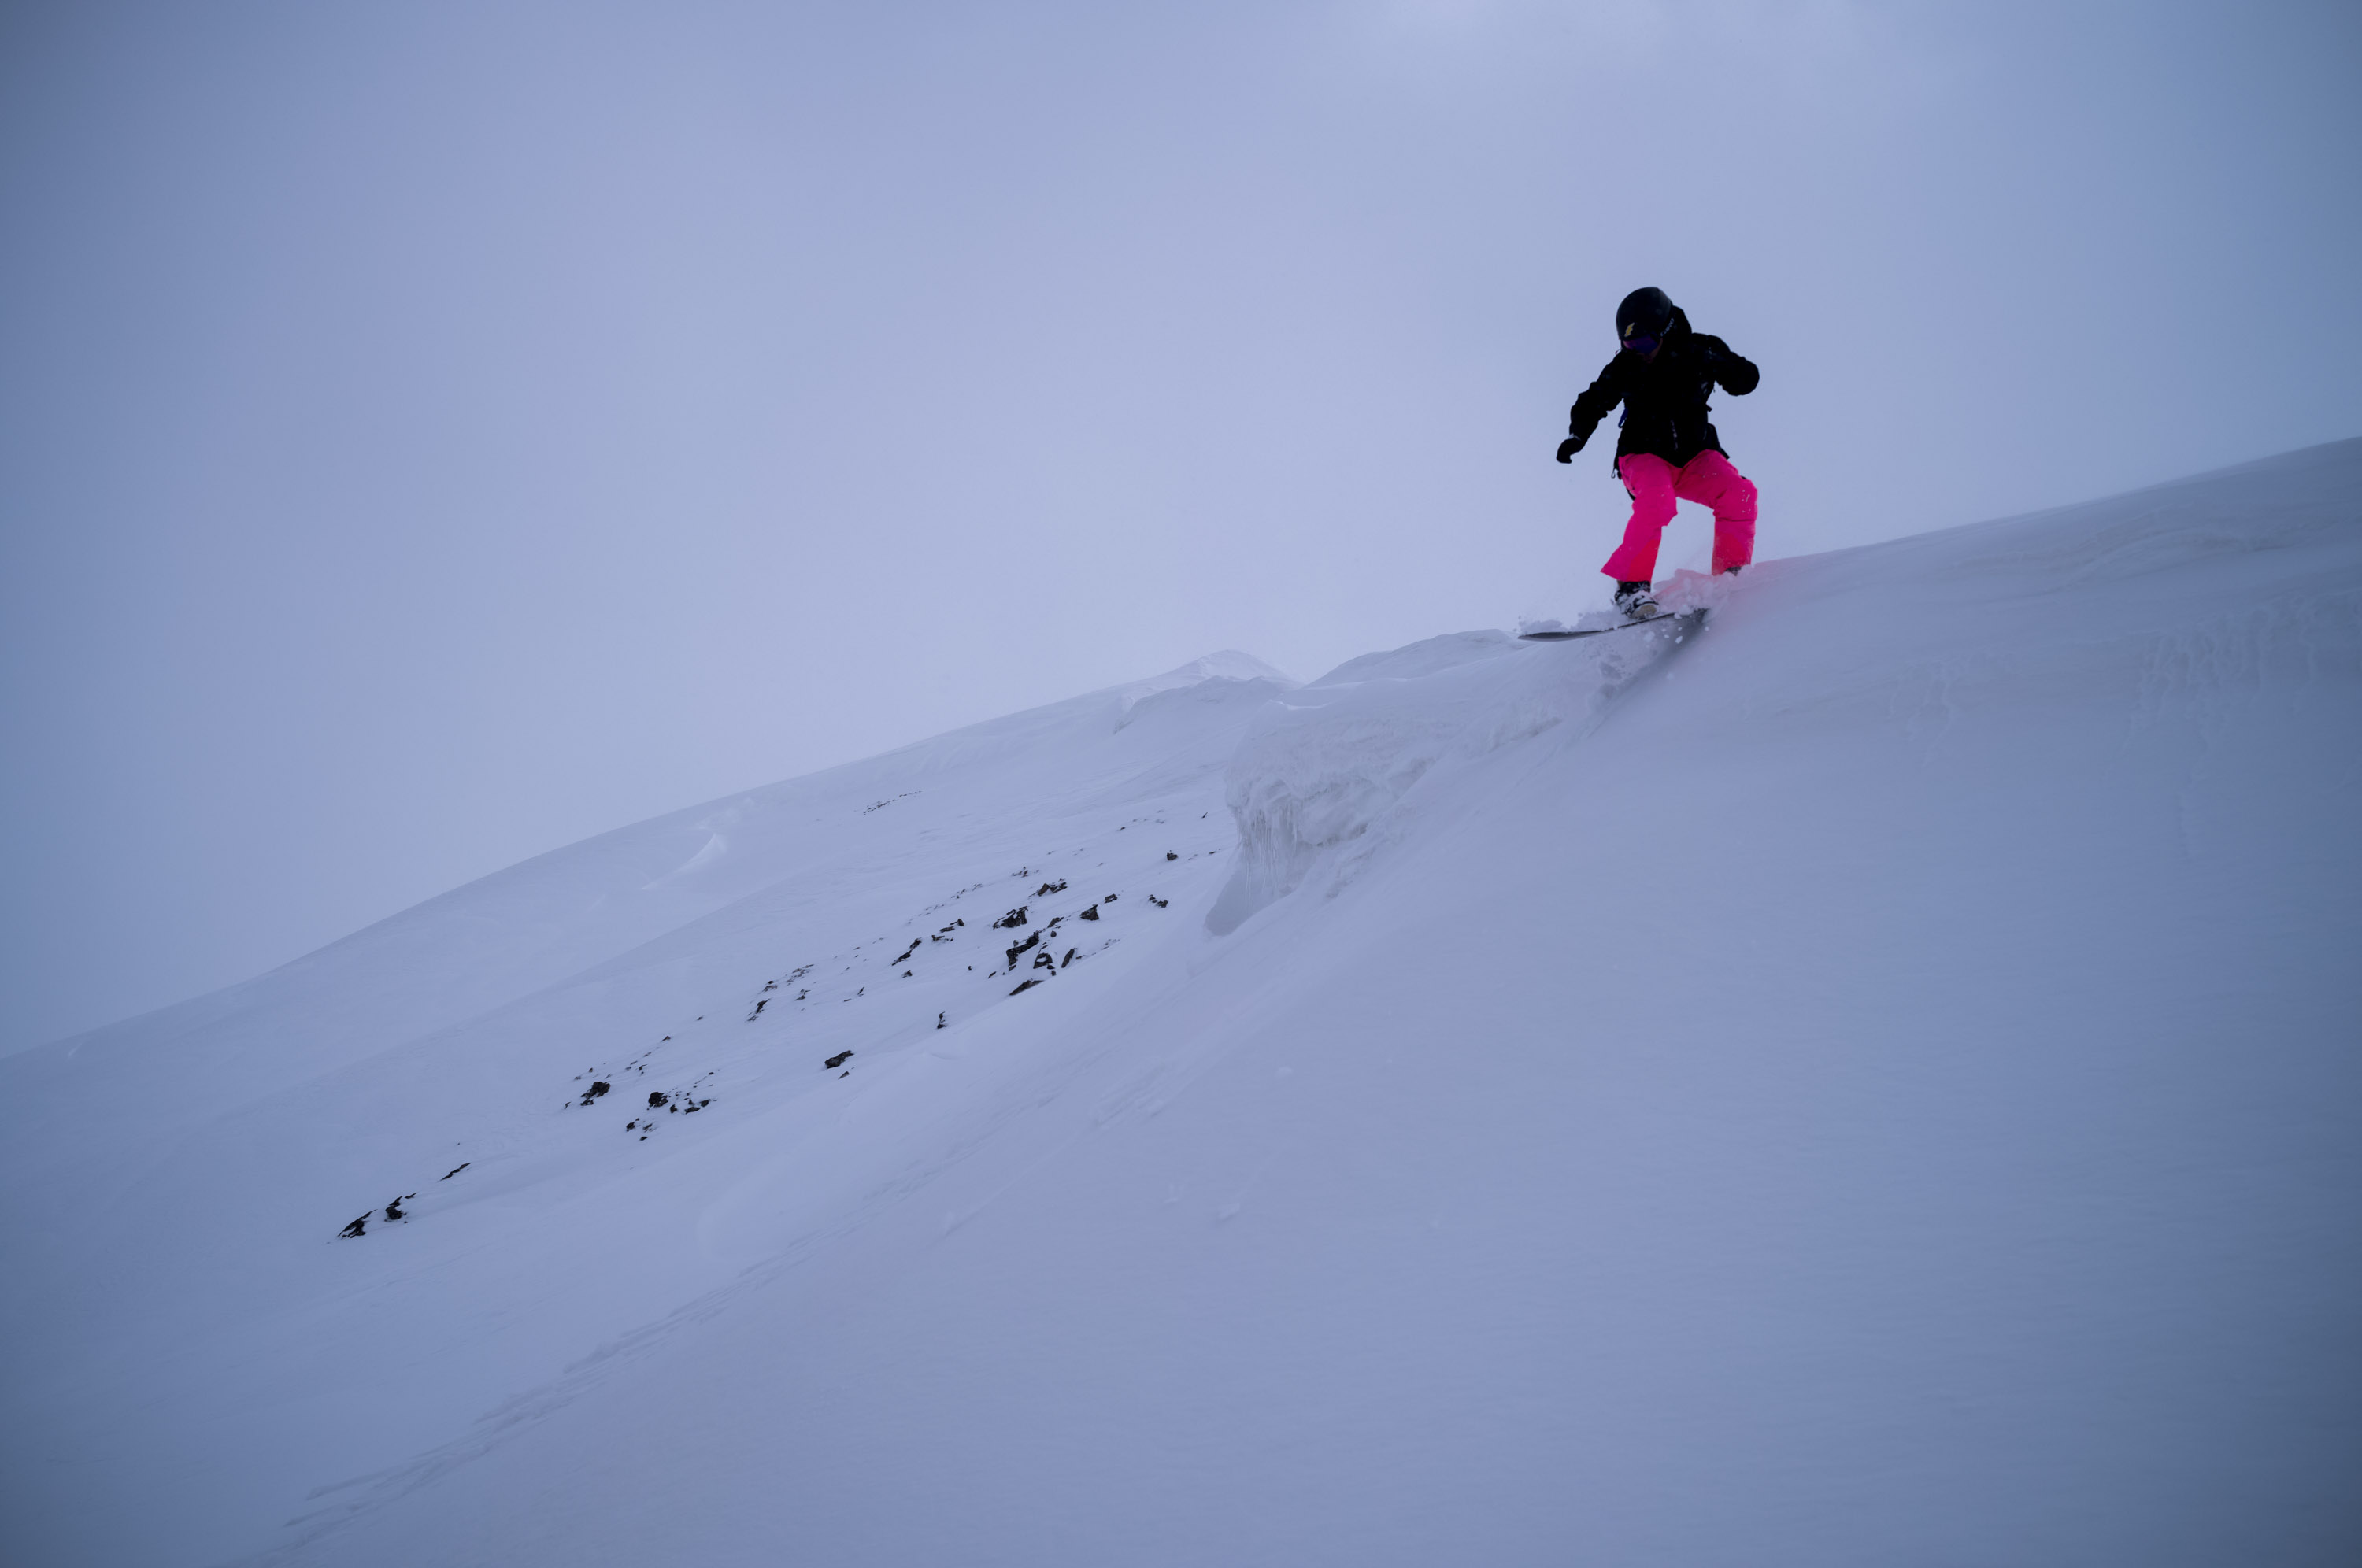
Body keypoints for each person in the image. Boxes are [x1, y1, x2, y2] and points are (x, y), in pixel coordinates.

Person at [1556, 287, 1759, 619]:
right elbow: (1592, 402)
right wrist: (1576, 436)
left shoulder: (1701, 350)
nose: (1638, 351)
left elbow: (1747, 382)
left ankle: (1730, 579)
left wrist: (1718, 363)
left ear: (1665, 331)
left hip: (1695, 456)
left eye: (1644, 343)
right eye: (1629, 344)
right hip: (1643, 454)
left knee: (1740, 494)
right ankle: (1631, 589)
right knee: (1657, 502)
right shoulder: (1627, 366)